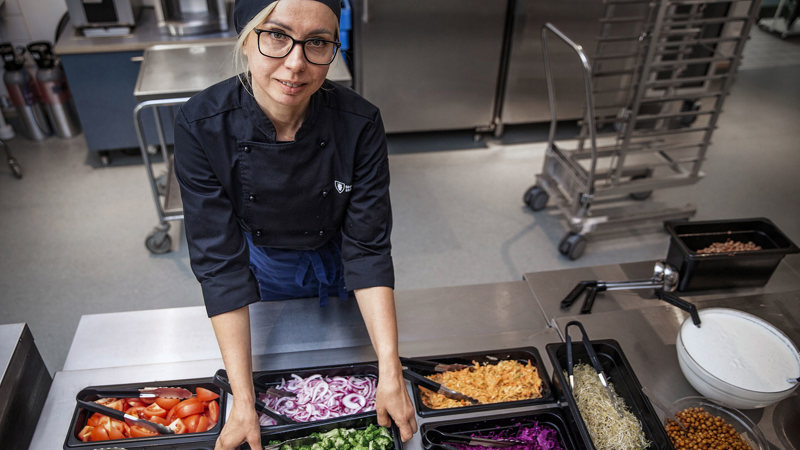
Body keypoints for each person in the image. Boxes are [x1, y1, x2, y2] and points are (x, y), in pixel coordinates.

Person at [172, 0, 417, 448]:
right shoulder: (201, 124)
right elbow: (220, 263)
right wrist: (243, 401)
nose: (296, 64)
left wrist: (390, 369)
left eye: (318, 43)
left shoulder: (359, 123)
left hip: (345, 267)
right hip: (266, 269)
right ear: (247, 39)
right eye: (277, 36)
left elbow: (367, 248)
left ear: (334, 48)